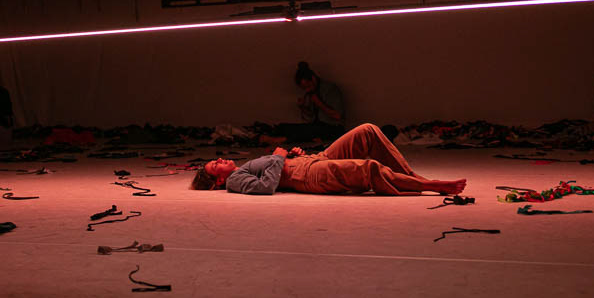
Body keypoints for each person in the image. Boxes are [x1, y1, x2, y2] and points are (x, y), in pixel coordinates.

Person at [191, 123, 466, 196]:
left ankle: (414, 178)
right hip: (307, 177)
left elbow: (272, 171)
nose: (220, 159)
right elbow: (266, 188)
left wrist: (292, 155)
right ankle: (428, 186)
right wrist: (278, 157)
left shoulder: (241, 170)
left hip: (312, 161)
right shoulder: (235, 182)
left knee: (367, 131)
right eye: (216, 165)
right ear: (218, 181)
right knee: (368, 168)